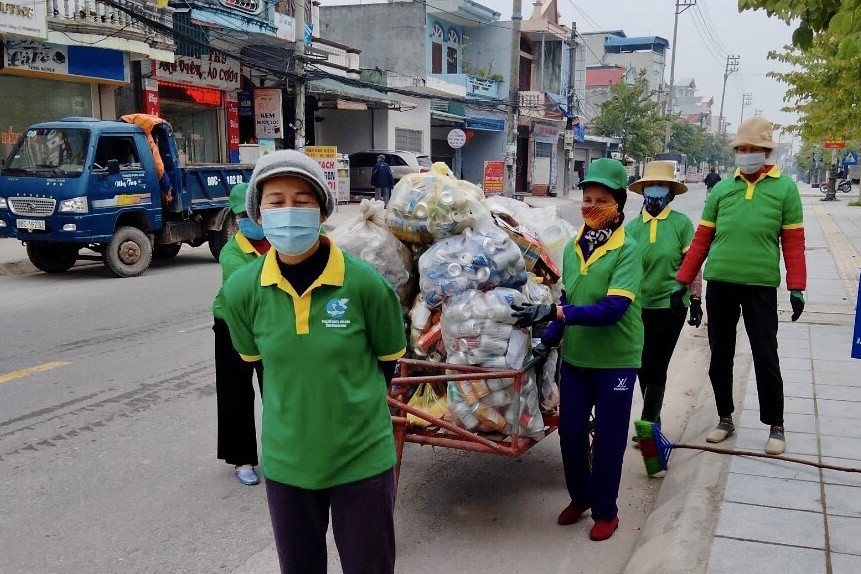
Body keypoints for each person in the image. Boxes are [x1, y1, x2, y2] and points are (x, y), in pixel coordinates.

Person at [222, 150, 406, 573]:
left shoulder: (366, 285)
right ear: (258, 210)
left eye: (303, 200)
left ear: (323, 210)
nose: (289, 210)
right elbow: (261, 366)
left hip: (362, 461)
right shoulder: (242, 291)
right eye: (277, 199)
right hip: (288, 464)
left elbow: (386, 363)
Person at [511, 158, 644, 542]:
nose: (589, 206)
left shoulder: (628, 249)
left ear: (618, 203)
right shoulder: (573, 246)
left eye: (600, 199)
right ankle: (581, 497)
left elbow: (612, 309)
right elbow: (569, 298)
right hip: (577, 359)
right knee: (570, 434)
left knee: (608, 439)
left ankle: (607, 511)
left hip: (616, 360)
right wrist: (547, 340)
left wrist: (555, 311)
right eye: (586, 198)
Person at [673, 116, 807, 456]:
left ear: (766, 151)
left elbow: (793, 242)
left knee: (766, 354)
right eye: (742, 149)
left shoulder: (784, 189)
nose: (747, 154)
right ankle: (724, 418)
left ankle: (775, 425)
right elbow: (702, 240)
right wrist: (684, 279)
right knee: (721, 355)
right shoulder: (722, 188)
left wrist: (797, 285)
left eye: (754, 149)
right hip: (721, 284)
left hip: (760, 286)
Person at [626, 161, 702, 432]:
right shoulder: (632, 228)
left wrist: (695, 299)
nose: (655, 192)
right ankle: (652, 417)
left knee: (657, 364)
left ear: (671, 192)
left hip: (671, 306)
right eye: (650, 186)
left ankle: (649, 424)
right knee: (641, 365)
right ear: (643, 190)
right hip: (637, 308)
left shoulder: (681, 224)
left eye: (662, 186)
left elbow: (691, 263)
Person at [212, 183, 269, 486]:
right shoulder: (232, 252)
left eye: (255, 212)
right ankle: (242, 459)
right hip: (232, 325)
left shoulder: (281, 240)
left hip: (271, 324)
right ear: (235, 221)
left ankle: (280, 455)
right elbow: (251, 291)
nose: (250, 219)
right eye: (242, 215)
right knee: (236, 392)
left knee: (275, 390)